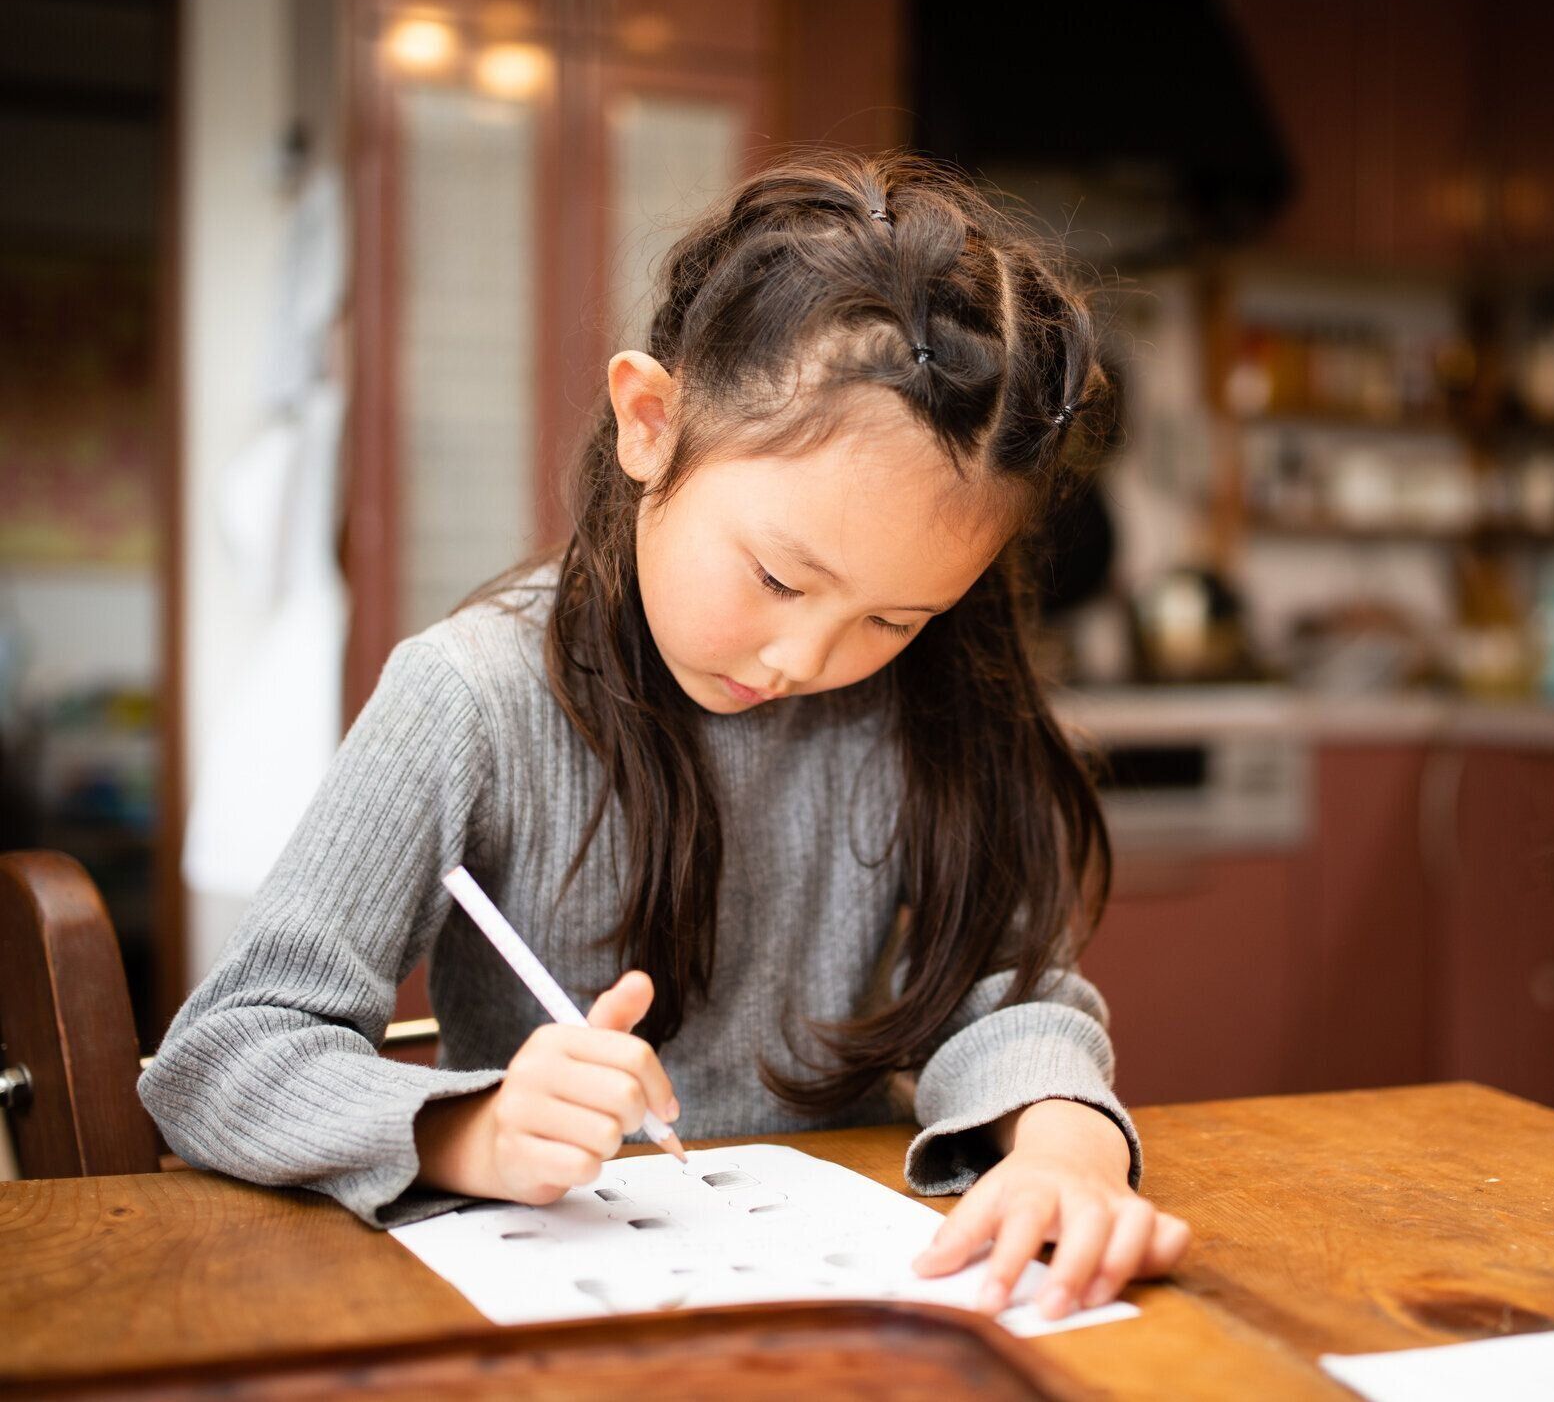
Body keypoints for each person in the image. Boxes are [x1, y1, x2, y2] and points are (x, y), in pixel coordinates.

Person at [140, 149, 1188, 1321]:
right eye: (781, 576)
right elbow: (224, 1052)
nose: (808, 661)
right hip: (553, 1309)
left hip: (839, 1298)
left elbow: (1005, 986)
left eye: (896, 616)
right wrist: (468, 1126)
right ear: (651, 421)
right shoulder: (470, 694)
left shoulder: (924, 703)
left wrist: (1062, 1146)